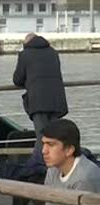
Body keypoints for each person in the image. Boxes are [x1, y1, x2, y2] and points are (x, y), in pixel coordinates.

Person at [30, 119, 100, 205]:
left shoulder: (85, 177)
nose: (44, 151)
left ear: (69, 150)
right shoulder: (53, 170)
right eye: (44, 144)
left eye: (51, 144)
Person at [13, 33, 68, 165]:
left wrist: (29, 81)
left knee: (42, 136)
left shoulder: (25, 54)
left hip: (38, 101)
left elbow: (17, 79)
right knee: (55, 136)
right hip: (57, 100)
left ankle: (35, 167)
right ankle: (57, 166)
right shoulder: (53, 52)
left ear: (26, 43)